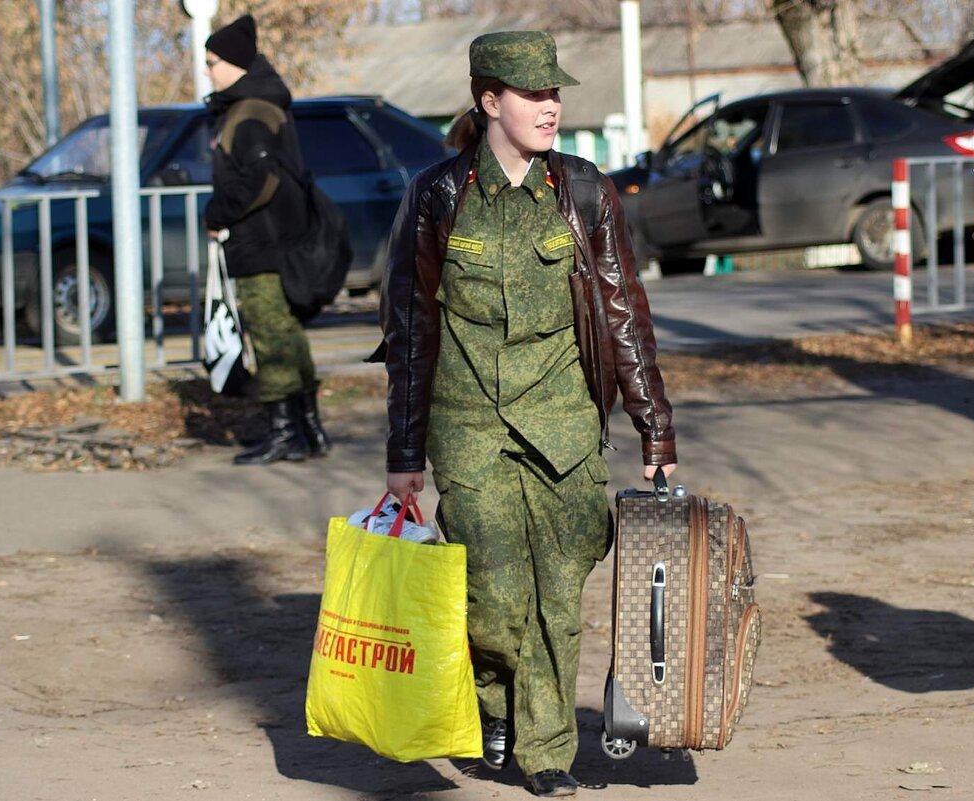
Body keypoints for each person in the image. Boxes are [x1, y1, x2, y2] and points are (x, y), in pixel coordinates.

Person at [373, 31, 677, 798]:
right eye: (534, 94)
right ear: (489, 102)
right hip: (468, 423)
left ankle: (545, 750)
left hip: (564, 425)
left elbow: (622, 315)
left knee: (558, 586)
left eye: (554, 93)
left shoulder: (581, 191)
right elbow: (409, 331)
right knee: (497, 593)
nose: (552, 106)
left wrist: (654, 427)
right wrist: (402, 450)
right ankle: (490, 700)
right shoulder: (437, 195)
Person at [202, 14, 330, 465]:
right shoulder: (259, 104)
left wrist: (216, 214)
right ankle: (308, 430)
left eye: (212, 60)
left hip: (262, 246)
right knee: (288, 335)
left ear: (234, 63)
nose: (207, 69)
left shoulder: (250, 111)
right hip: (278, 243)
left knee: (272, 337)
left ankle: (285, 434)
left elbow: (261, 176)